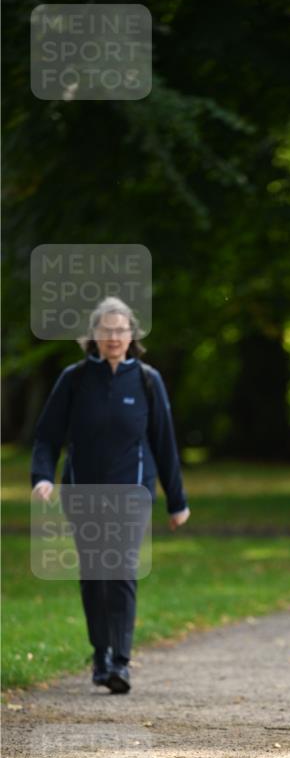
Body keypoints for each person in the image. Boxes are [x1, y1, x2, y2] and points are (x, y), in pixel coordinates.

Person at [31, 296, 190, 694]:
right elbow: (48, 436)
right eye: (107, 331)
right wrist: (42, 477)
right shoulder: (75, 378)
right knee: (93, 574)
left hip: (132, 492)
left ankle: (120, 660)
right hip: (82, 492)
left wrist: (177, 501)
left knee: (121, 569)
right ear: (94, 337)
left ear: (132, 334)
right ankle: (99, 654)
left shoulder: (148, 380)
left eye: (121, 330)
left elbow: (164, 441)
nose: (115, 337)